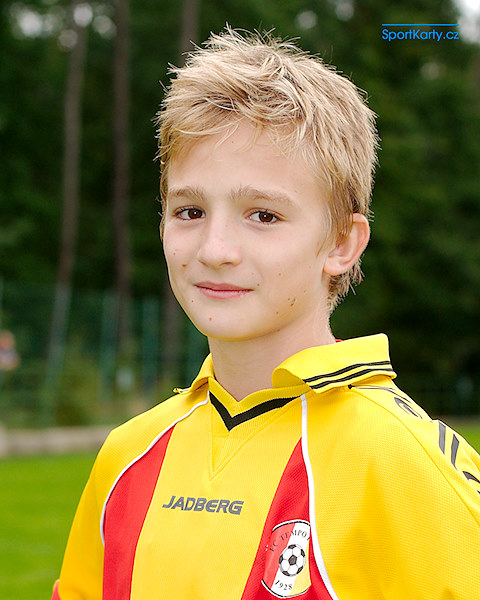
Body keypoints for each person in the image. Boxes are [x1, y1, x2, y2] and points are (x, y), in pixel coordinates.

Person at [52, 28, 480, 600]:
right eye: (190, 210)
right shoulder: (127, 454)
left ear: (342, 243)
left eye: (263, 216)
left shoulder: (403, 461)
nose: (215, 249)